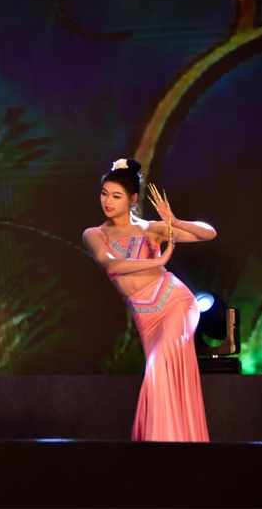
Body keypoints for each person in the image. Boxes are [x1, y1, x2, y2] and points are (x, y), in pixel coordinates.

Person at [82, 158, 216, 442]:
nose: (108, 201)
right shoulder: (95, 234)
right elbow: (111, 263)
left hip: (174, 301)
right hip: (145, 316)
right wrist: (160, 260)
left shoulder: (150, 228)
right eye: (104, 194)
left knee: (158, 368)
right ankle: (169, 444)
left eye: (116, 196)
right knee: (160, 375)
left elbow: (208, 233)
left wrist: (174, 222)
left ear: (132, 199)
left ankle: (160, 445)